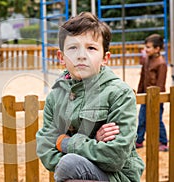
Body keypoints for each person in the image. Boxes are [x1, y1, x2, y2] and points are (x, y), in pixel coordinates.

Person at [36, 12, 144, 181]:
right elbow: (46, 151)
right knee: (68, 165)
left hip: (116, 177)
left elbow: (114, 156)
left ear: (105, 58)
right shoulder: (55, 96)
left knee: (69, 163)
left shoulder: (118, 93)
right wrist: (95, 141)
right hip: (74, 174)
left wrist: (64, 142)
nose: (81, 55)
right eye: (73, 48)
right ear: (61, 57)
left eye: (91, 48)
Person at [135, 34, 168, 151]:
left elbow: (160, 83)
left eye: (148, 47)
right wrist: (139, 92)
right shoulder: (146, 60)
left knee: (157, 120)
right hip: (145, 95)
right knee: (142, 119)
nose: (145, 49)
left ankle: (163, 141)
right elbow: (143, 77)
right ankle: (139, 140)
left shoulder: (161, 63)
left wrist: (158, 98)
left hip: (156, 97)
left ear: (157, 49)